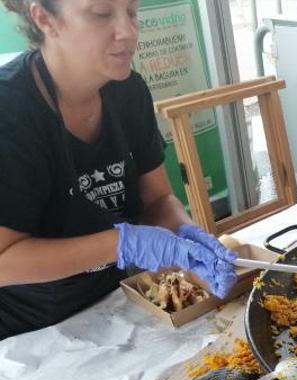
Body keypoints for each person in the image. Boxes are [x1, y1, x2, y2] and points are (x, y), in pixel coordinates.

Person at [0, 0, 237, 338]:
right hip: (33, 331)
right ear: (44, 19)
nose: (128, 31)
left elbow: (158, 199)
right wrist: (124, 243)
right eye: (101, 14)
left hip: (119, 299)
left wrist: (186, 236)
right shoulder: (10, 112)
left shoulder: (128, 91)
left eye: (132, 12)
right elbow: (4, 260)